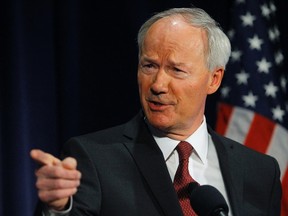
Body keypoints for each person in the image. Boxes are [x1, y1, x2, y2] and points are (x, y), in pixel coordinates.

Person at [30, 7, 282, 216]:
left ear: (214, 80)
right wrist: (58, 207)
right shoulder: (94, 158)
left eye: (176, 70)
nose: (158, 85)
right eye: (149, 65)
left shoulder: (260, 171)